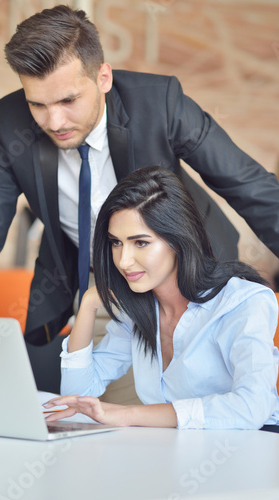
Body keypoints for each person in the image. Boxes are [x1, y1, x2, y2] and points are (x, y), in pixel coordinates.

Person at [0, 4, 279, 350]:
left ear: (103, 78)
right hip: (97, 292)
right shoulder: (9, 125)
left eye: (68, 100)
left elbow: (251, 187)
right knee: (85, 395)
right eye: (38, 104)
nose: (54, 122)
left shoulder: (159, 103)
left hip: (190, 278)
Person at [44, 166, 279, 430]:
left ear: (178, 240)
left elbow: (253, 406)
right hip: (180, 454)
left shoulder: (243, 303)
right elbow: (78, 391)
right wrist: (87, 305)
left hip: (254, 448)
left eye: (140, 243)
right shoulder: (138, 309)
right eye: (116, 242)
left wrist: (127, 415)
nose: (123, 260)